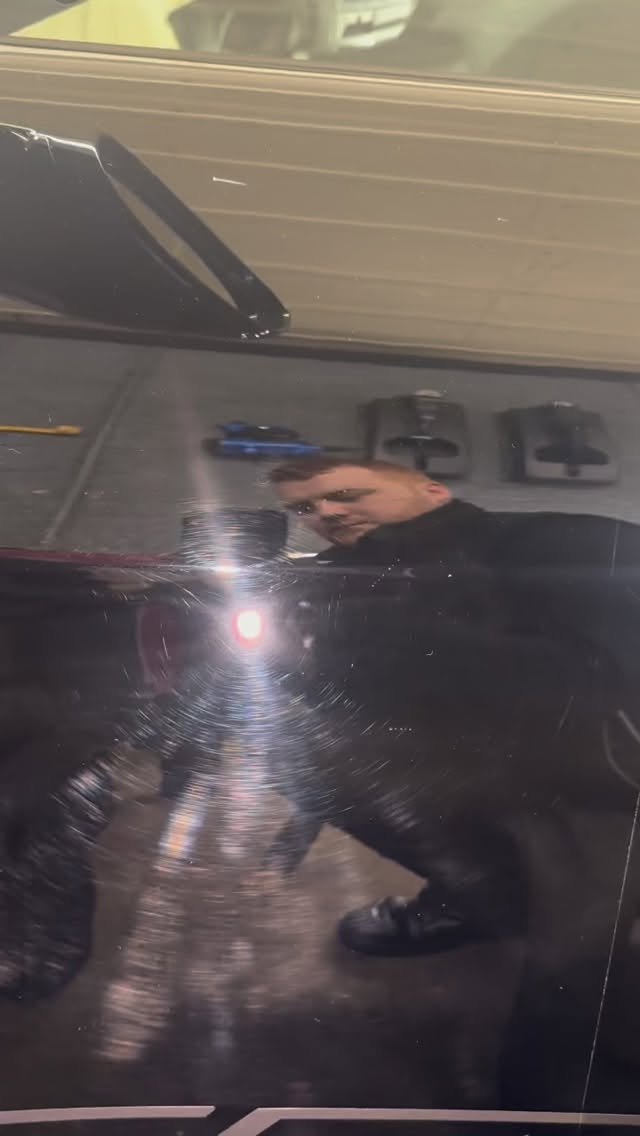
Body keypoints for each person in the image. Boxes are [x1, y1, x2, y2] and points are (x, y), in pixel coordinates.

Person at [268, 456, 640, 959]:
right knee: (298, 752)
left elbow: (609, 677)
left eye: (348, 495)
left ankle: (536, 897)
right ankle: (489, 898)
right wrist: (297, 659)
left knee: (572, 974)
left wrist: (390, 636)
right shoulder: (348, 574)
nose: (325, 513)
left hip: (611, 756)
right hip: (506, 747)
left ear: (434, 492)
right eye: (305, 509)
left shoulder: (564, 541)